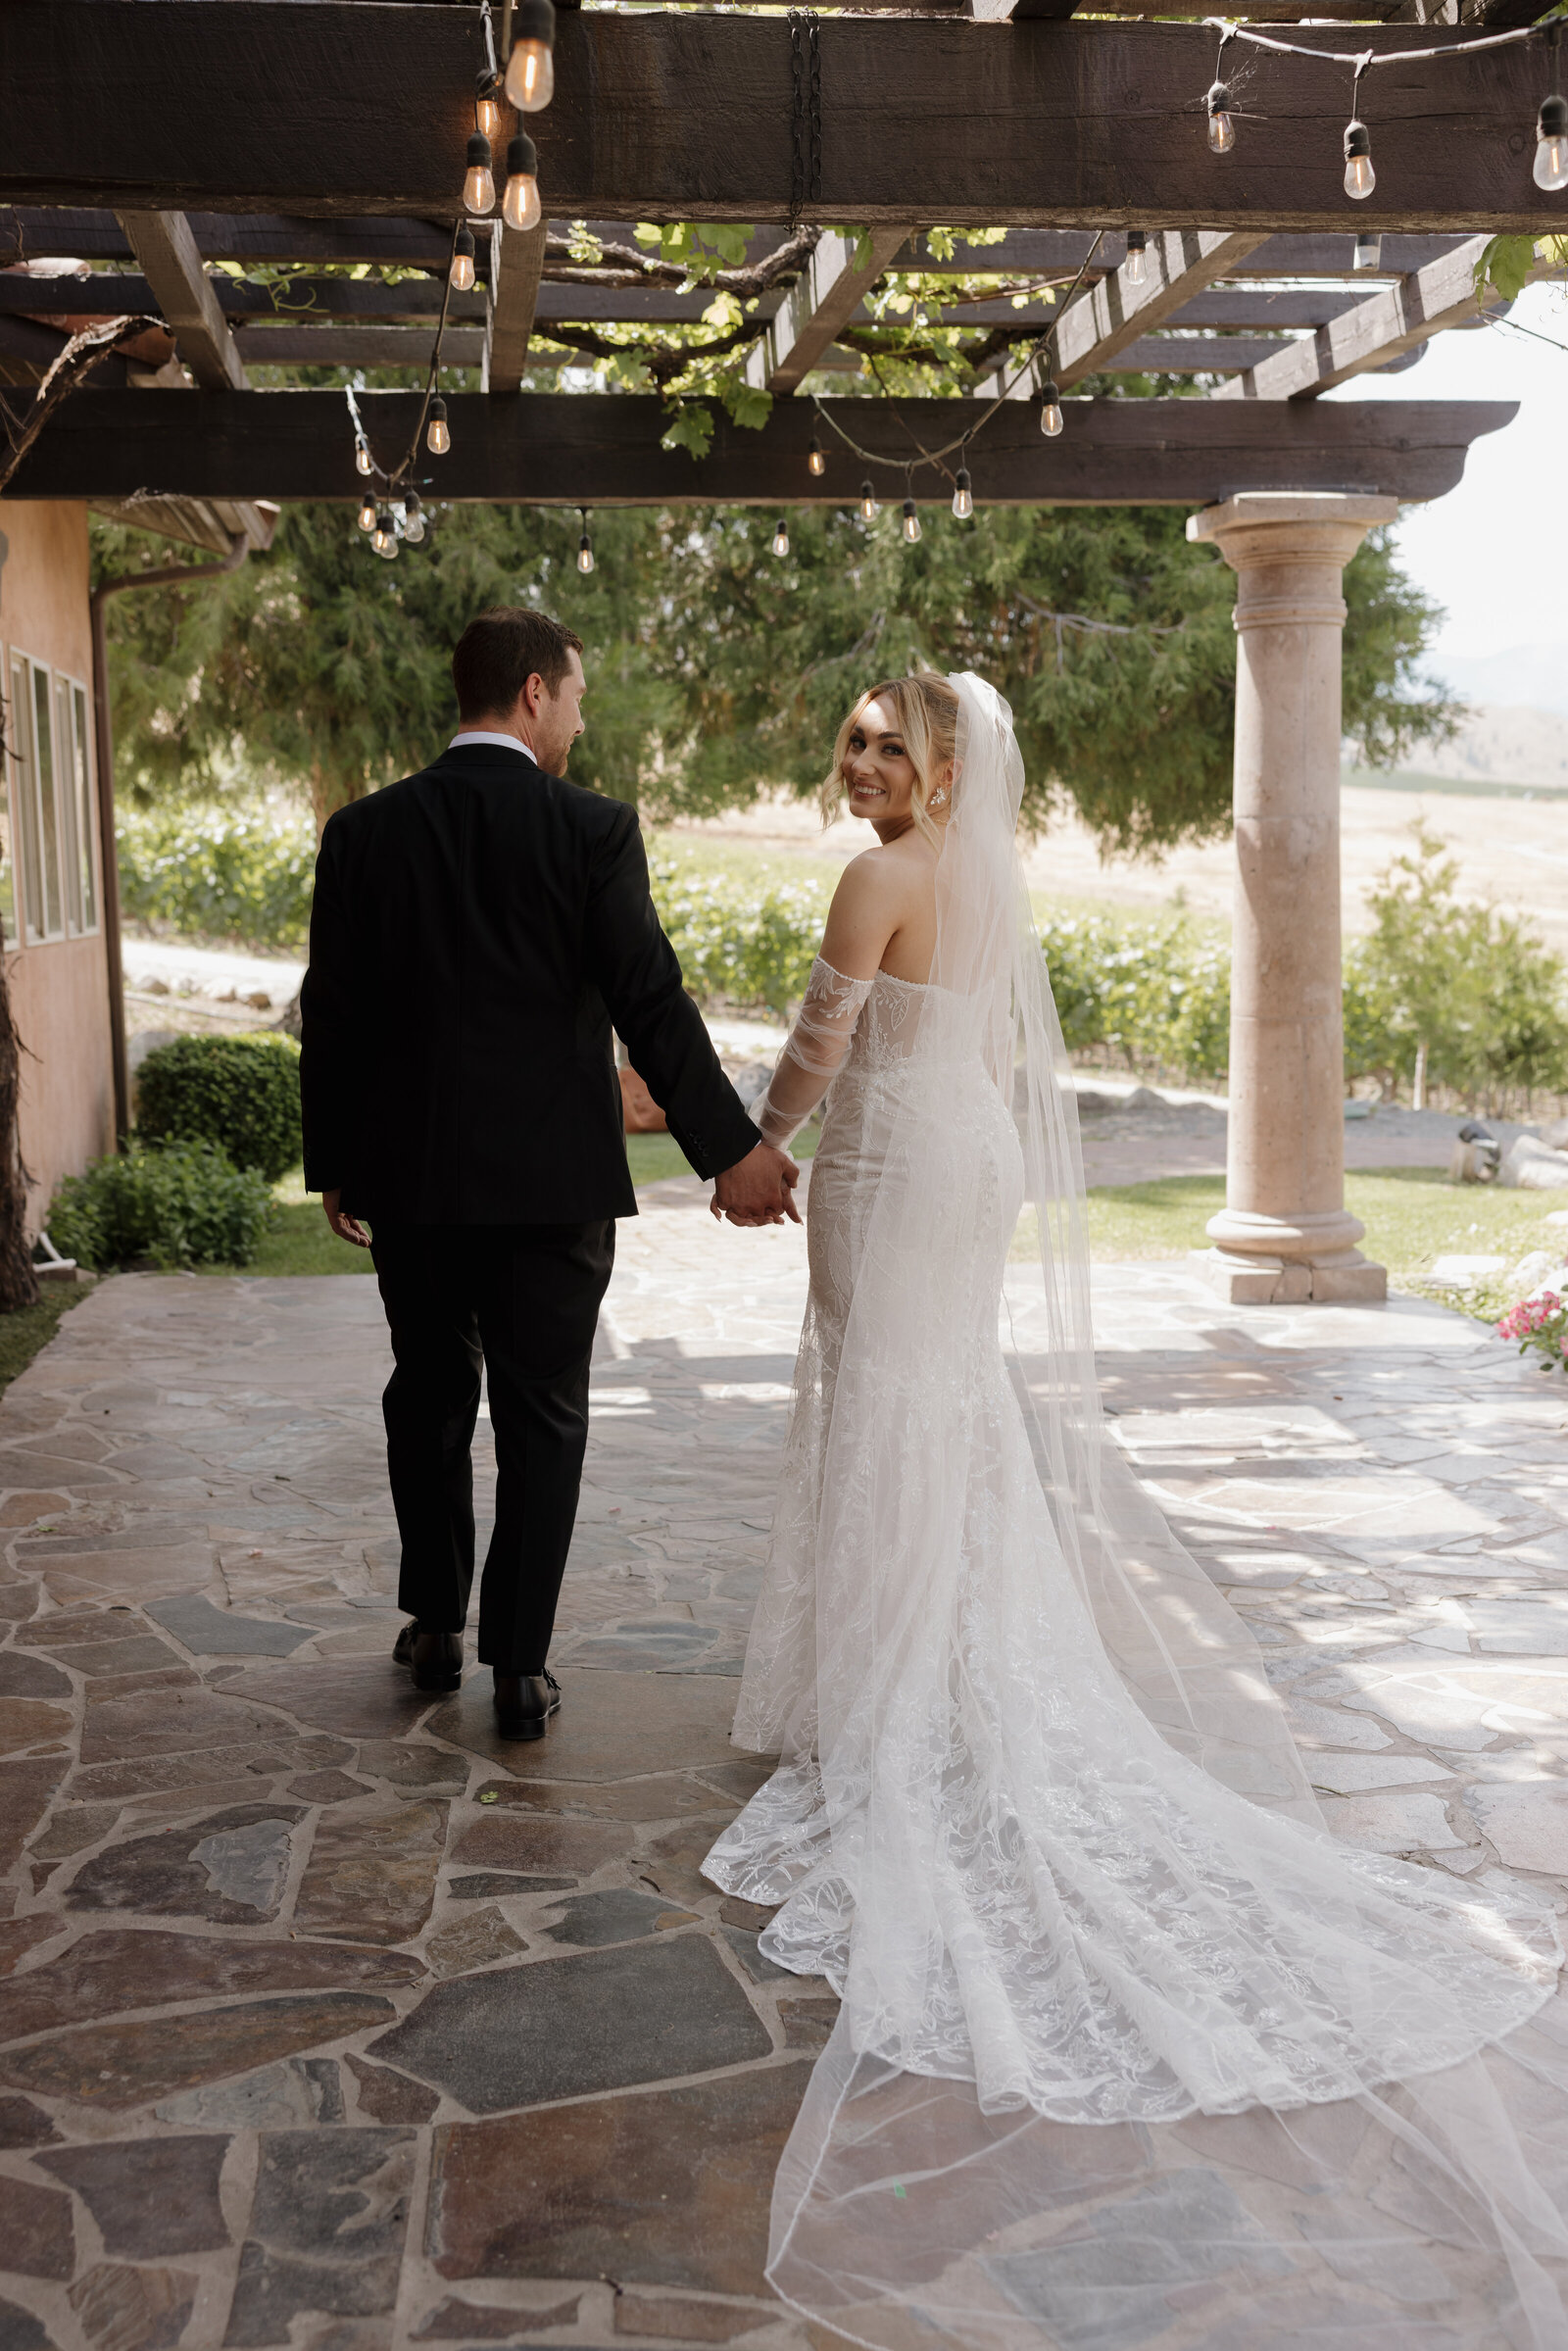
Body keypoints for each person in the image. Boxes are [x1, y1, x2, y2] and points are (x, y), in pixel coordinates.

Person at [702, 670, 1568, 2348]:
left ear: (947, 762)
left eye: (894, 740)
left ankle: (893, 1699)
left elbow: (820, 1039)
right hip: (961, 1155)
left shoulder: (877, 873)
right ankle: (924, 1669)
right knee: (935, 1415)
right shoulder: (985, 872)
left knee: (894, 1415)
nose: (865, 760)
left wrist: (753, 1147)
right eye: (857, 738)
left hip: (888, 1164)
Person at [300, 607, 798, 1739]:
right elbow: (650, 1001)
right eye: (574, 695)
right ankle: (518, 1666)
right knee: (544, 1416)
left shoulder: (364, 831)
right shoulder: (592, 829)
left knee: (426, 1394)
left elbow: (331, 1015)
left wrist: (337, 1160)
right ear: (533, 692)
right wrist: (732, 1153)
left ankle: (433, 1623)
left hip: (412, 1183)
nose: (578, 716)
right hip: (552, 1188)